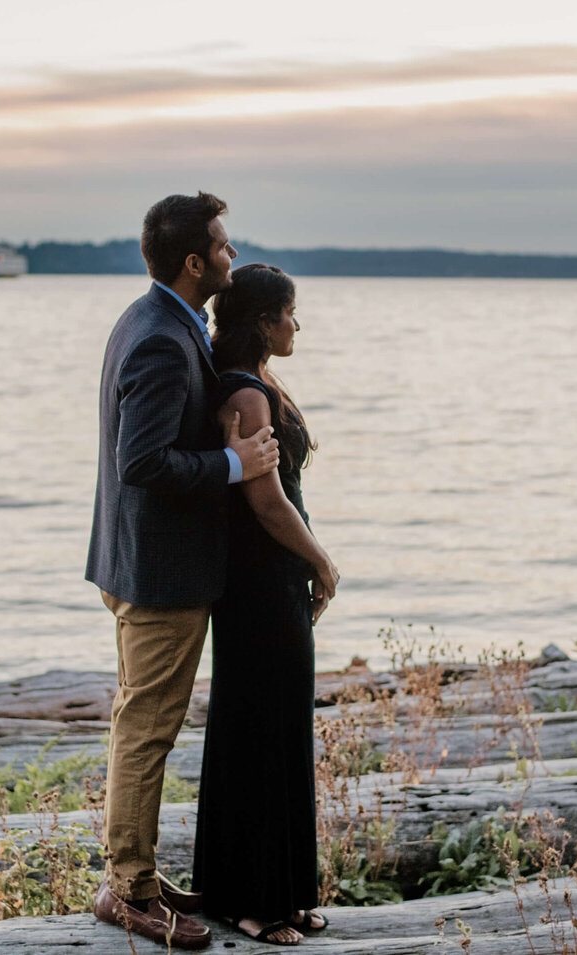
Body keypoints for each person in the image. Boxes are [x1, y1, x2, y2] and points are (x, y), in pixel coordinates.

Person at [86, 192, 280, 950]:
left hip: (138, 557)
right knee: (147, 727)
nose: (234, 254)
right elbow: (140, 462)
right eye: (225, 246)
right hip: (159, 571)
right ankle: (127, 889)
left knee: (144, 719)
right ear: (195, 260)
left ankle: (135, 867)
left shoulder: (155, 319)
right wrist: (234, 462)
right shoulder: (162, 339)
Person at [192, 263, 340, 946]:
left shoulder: (259, 384)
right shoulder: (246, 395)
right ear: (261, 321)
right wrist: (320, 559)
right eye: (288, 312)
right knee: (257, 729)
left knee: (282, 728)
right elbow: (264, 498)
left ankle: (283, 892)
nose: (296, 323)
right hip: (259, 579)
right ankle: (248, 902)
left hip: (274, 574)